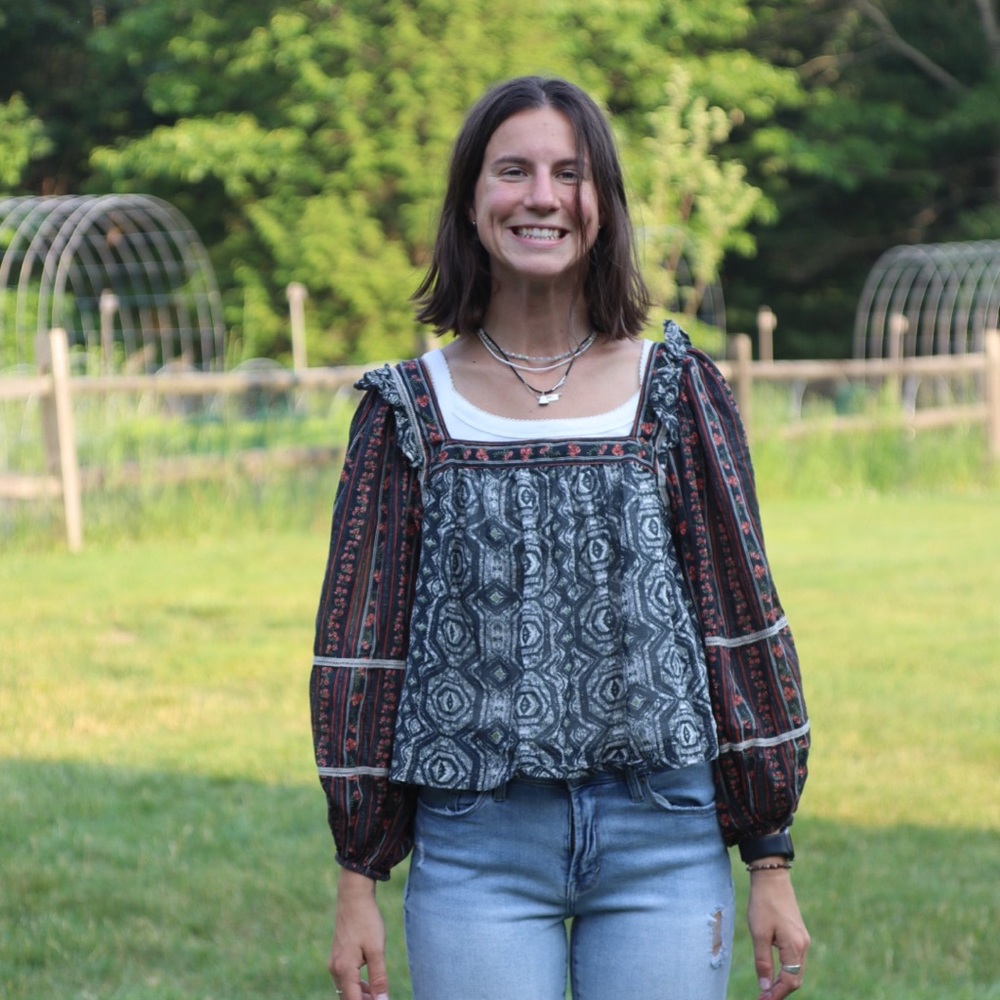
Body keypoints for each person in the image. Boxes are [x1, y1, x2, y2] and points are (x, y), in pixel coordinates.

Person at [311, 76, 810, 1000]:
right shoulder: (406, 411)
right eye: (513, 171)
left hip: (665, 838)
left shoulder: (677, 389)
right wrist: (358, 873)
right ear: (470, 202)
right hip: (475, 848)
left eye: (568, 173)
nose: (541, 195)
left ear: (603, 205)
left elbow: (739, 619)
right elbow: (362, 653)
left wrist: (769, 858)